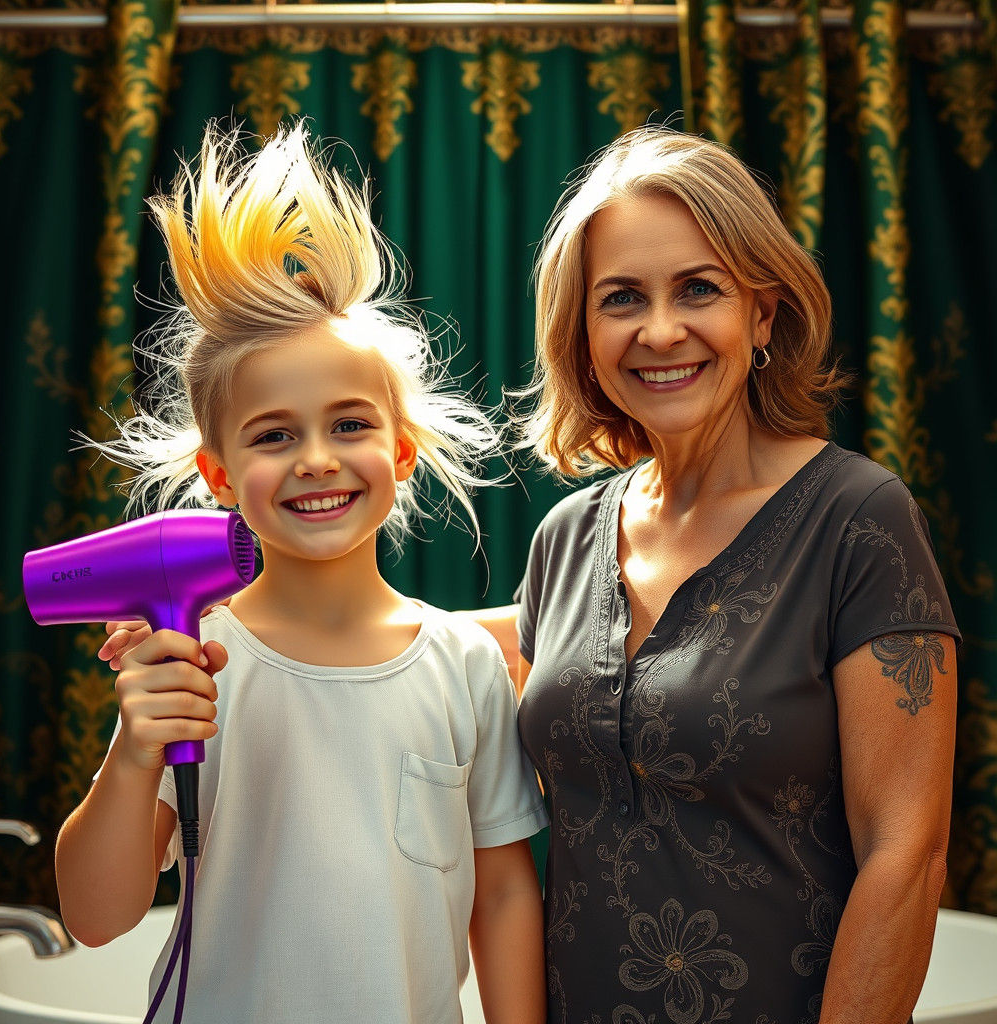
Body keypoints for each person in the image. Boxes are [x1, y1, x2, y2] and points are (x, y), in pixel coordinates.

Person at [99, 126, 960, 1024]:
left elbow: (907, 853)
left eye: (698, 288)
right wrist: (219, 621)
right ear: (583, 332)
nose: (660, 329)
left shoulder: (859, 519)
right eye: (621, 298)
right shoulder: (572, 537)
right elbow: (438, 647)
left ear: (765, 314)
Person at [56, 121, 547, 1024]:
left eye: (350, 425)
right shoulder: (195, 660)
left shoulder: (466, 666)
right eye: (274, 435)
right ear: (219, 476)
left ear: (401, 452)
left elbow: (506, 892)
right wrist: (134, 751)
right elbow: (95, 919)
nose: (317, 459)